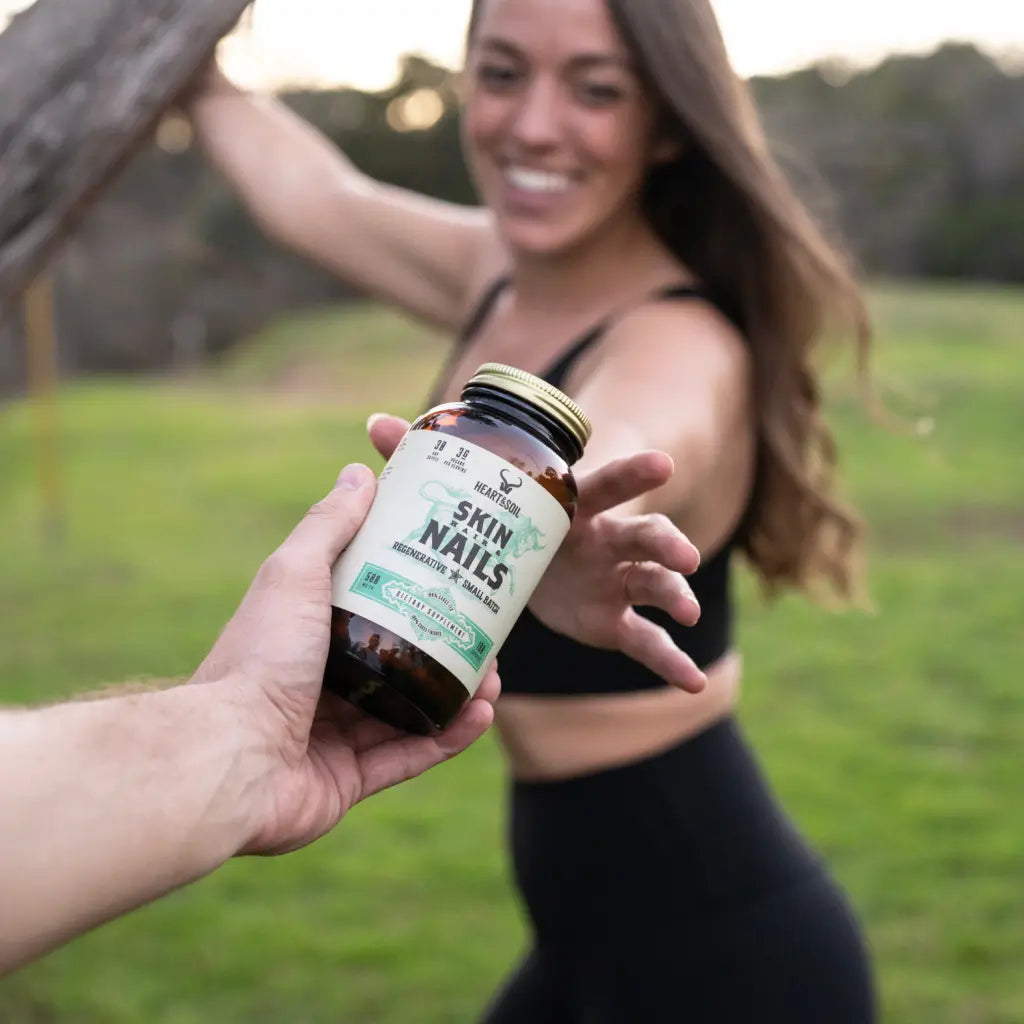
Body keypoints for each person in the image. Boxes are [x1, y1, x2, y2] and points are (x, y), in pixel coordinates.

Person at [184, 0, 877, 1018]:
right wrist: (187, 69)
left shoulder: (682, 341)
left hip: (726, 960)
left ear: (667, 123)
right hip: (588, 939)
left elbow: (644, 438)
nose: (534, 125)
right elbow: (319, 198)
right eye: (503, 74)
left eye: (595, 90)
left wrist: (563, 508)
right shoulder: (501, 270)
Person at [1, 450, 704, 977]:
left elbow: (655, 423)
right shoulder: (482, 325)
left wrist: (545, 508)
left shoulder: (688, 329)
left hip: (682, 842)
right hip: (559, 851)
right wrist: (244, 728)